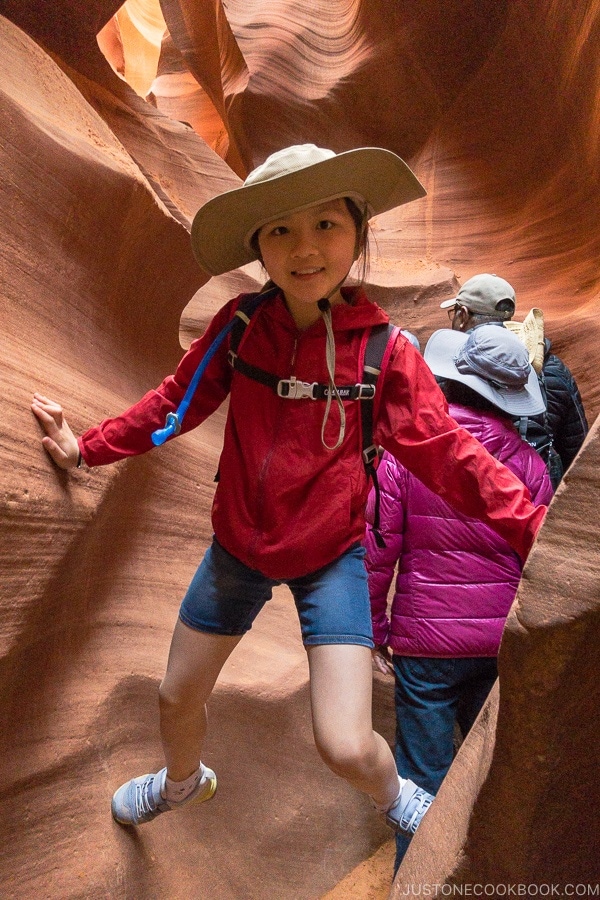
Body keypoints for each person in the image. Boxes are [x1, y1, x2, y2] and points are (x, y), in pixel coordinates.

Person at [31, 145, 546, 842]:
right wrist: (84, 448)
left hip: (330, 556)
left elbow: (450, 456)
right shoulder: (242, 328)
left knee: (346, 745)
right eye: (281, 229)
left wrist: (533, 525)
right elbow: (172, 404)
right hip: (238, 548)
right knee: (175, 696)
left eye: (326, 225)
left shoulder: (385, 355)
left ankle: (397, 793)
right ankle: (182, 783)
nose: (305, 249)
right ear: (259, 249)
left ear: (358, 233)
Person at [364, 324, 554, 872]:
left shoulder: (410, 457)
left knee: (421, 781)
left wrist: (374, 634)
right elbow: (536, 565)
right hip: (498, 646)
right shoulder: (534, 468)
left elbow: (378, 553)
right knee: (487, 771)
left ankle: (418, 880)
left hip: (425, 649)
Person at [440, 273, 588, 486]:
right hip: (534, 497)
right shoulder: (554, 370)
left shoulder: (447, 370)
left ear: (462, 315)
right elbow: (577, 454)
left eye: (454, 312)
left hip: (460, 492)